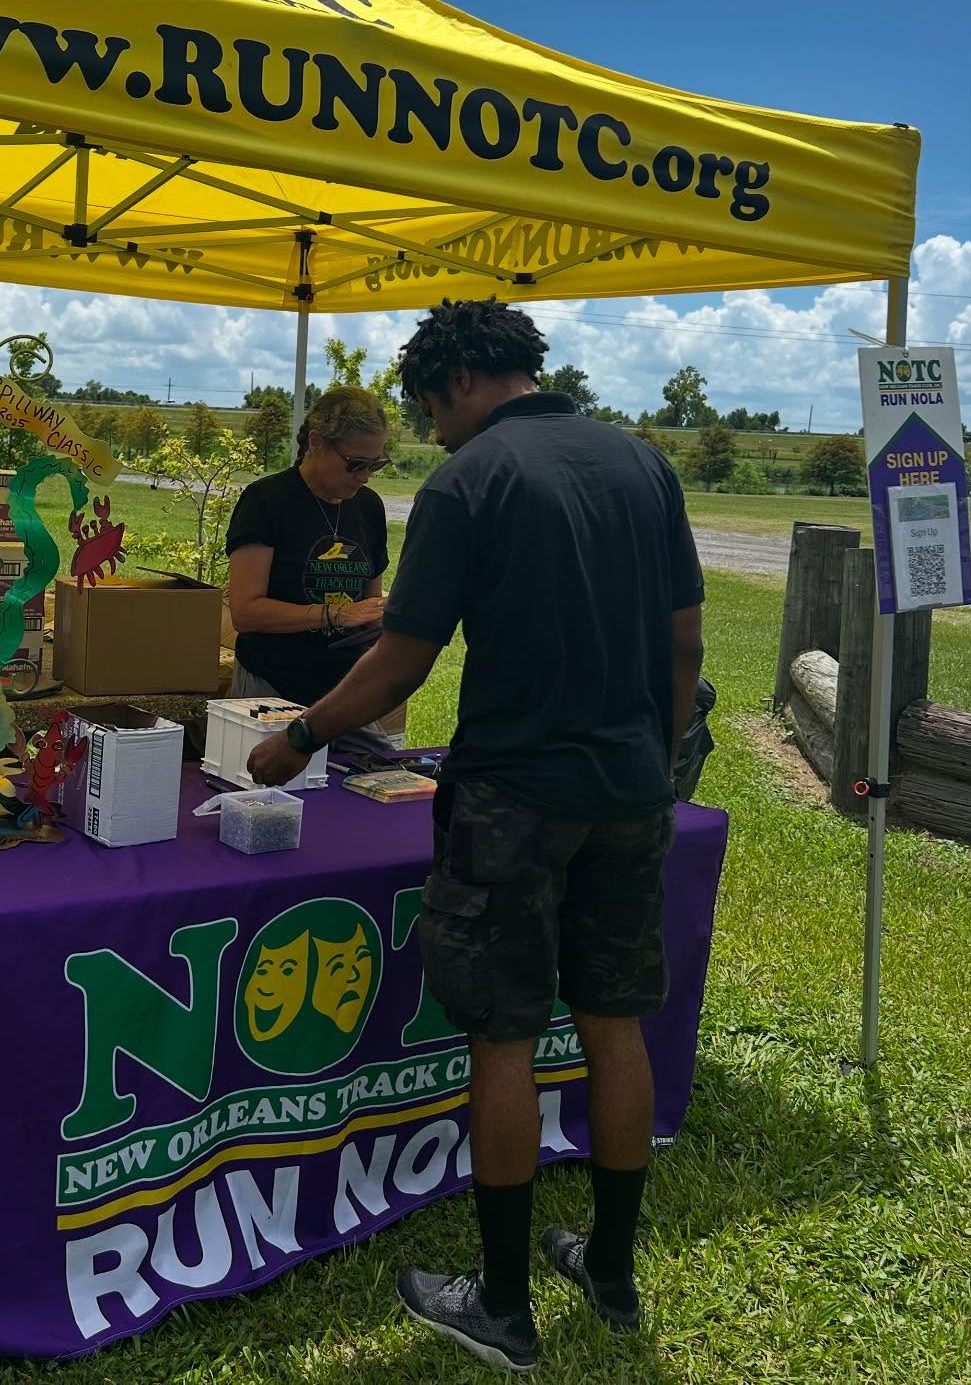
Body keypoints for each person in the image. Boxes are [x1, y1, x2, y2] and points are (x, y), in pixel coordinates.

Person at [248, 300, 705, 1373]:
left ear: (456, 379)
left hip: (513, 801)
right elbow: (683, 643)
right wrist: (657, 753)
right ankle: (612, 1272)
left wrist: (301, 734)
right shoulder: (643, 463)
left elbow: (405, 660)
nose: (425, 429)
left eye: (423, 405)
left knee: (502, 1035)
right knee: (614, 1021)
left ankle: (501, 1307)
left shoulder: (470, 481)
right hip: (634, 795)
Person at [225, 386, 401, 748]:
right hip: (271, 685)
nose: (364, 476)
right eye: (355, 464)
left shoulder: (368, 507)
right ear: (317, 442)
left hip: (343, 691)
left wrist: (386, 619)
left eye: (375, 464)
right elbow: (246, 612)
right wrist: (333, 614)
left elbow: (367, 606)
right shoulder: (267, 501)